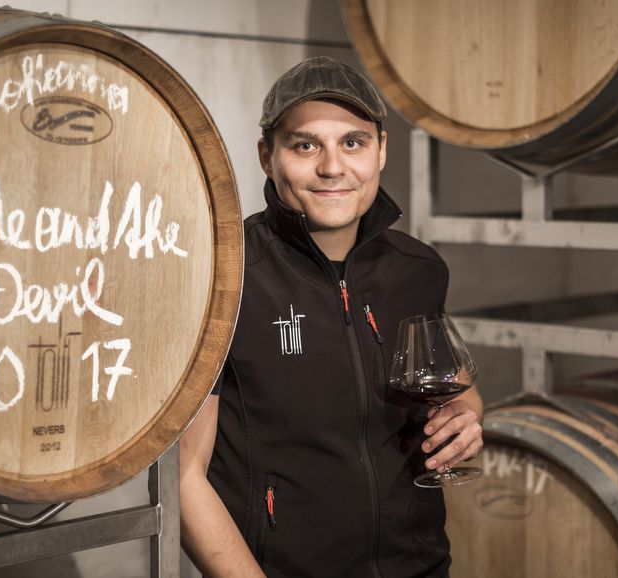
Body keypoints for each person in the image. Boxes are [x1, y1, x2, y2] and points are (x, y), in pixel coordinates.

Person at [178, 56, 484, 578]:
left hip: (421, 566)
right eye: (305, 145)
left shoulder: (418, 269)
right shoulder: (223, 276)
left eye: (353, 142)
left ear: (381, 150)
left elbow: (457, 391)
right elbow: (185, 478)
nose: (332, 167)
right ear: (266, 156)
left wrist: (467, 419)